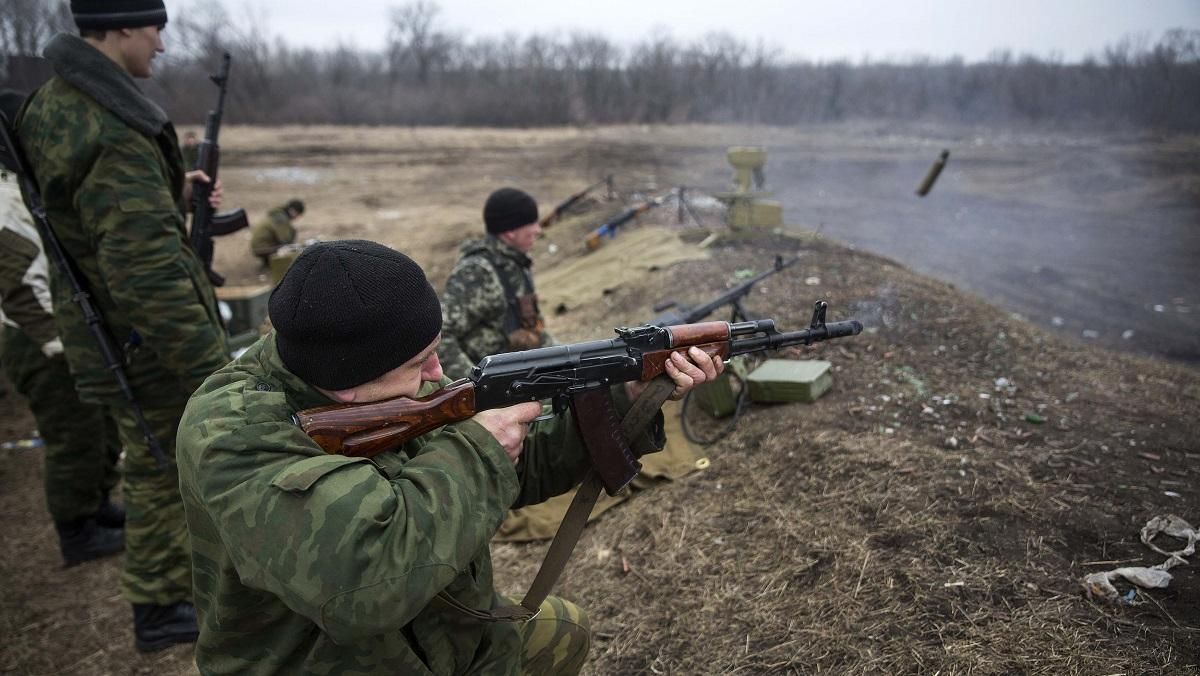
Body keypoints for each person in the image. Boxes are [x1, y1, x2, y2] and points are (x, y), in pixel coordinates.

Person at [176, 239, 723, 675]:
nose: (437, 374)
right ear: (348, 385)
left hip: (440, 638)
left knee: (565, 629)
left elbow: (514, 472)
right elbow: (366, 583)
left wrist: (634, 396)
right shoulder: (232, 432)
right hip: (327, 660)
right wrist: (481, 446)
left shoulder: (384, 392)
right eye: (421, 361)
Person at [16, 0, 230, 652]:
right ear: (121, 29)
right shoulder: (110, 128)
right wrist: (209, 369)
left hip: (105, 327)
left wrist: (171, 193)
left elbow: (86, 220)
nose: (161, 46)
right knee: (165, 465)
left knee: (150, 458)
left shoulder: (54, 102)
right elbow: (143, 273)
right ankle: (162, 605)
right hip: (142, 341)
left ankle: (165, 589)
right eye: (155, 30)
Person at [0, 125, 124, 567]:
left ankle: (97, 506)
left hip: (62, 332)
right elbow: (17, 289)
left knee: (99, 427)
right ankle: (77, 531)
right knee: (74, 435)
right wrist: (57, 342)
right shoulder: (4, 201)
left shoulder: (21, 188)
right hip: (38, 338)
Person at [440, 187, 552, 379]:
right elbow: (440, 338)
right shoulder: (477, 272)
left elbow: (534, 329)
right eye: (531, 223)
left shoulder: (516, 264)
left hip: (521, 377)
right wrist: (476, 385)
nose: (538, 230)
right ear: (510, 232)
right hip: (495, 392)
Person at [249, 199, 305, 267]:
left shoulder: (278, 214)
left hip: (258, 246)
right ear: (293, 210)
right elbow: (285, 239)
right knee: (288, 247)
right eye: (298, 214)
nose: (297, 217)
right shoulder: (281, 218)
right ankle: (273, 263)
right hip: (261, 248)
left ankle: (268, 262)